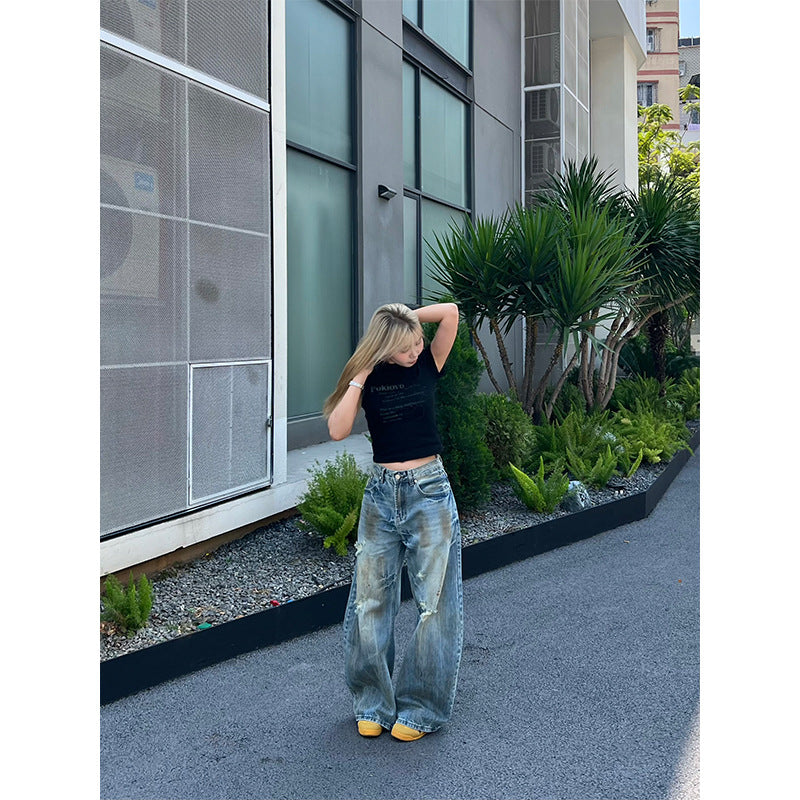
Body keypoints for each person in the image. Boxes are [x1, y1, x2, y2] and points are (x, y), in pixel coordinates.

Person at [324, 301, 463, 742]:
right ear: (384, 348)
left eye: (418, 343)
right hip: (381, 495)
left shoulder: (427, 363)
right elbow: (337, 430)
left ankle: (421, 709)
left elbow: (452, 313)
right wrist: (361, 373)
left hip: (429, 491)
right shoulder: (370, 375)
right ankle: (372, 702)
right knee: (369, 601)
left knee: (434, 604)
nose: (416, 351)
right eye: (405, 348)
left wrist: (405, 318)